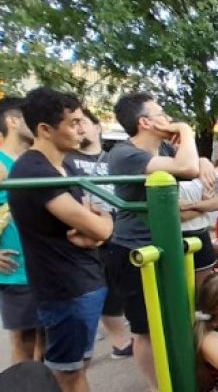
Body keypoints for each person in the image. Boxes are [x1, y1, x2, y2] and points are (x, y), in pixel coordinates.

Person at [9, 87, 114, 392]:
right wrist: (100, 227)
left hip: (80, 283)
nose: (82, 129)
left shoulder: (63, 166)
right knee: (67, 375)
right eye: (74, 123)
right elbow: (99, 227)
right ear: (45, 129)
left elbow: (97, 219)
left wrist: (100, 226)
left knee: (75, 368)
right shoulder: (34, 171)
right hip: (65, 289)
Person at [107, 92, 207, 390]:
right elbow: (187, 169)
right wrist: (187, 130)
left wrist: (204, 159)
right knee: (146, 330)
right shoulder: (124, 154)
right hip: (132, 252)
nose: (169, 119)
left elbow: (192, 163)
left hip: (165, 246)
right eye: (161, 113)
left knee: (177, 318)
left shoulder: (161, 147)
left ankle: (179, 378)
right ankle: (158, 386)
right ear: (145, 122)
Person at [62, 108, 133, 359]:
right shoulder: (66, 161)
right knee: (101, 292)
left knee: (121, 288)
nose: (79, 128)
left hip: (119, 231)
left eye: (83, 122)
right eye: (73, 123)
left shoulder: (115, 157)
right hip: (89, 238)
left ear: (98, 127)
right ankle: (118, 342)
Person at [0, 96, 44, 365]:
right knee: (25, 343)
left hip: (41, 266)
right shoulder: (2, 164)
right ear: (13, 121)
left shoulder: (31, 161)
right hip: (16, 271)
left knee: (45, 341)